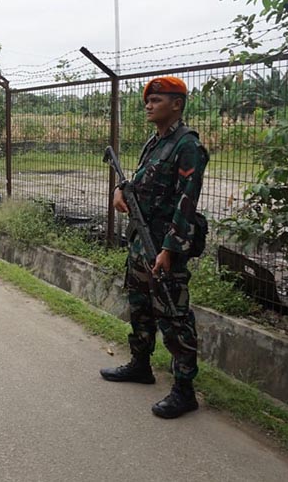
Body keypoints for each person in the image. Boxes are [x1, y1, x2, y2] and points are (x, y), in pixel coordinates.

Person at [100, 76, 209, 419]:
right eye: (148, 100)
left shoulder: (187, 145)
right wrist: (121, 190)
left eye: (157, 100)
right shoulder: (155, 142)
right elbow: (140, 182)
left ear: (177, 104)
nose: (148, 104)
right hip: (140, 242)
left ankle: (184, 390)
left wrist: (169, 249)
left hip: (164, 246)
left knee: (175, 317)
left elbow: (186, 203)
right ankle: (141, 364)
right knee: (140, 306)